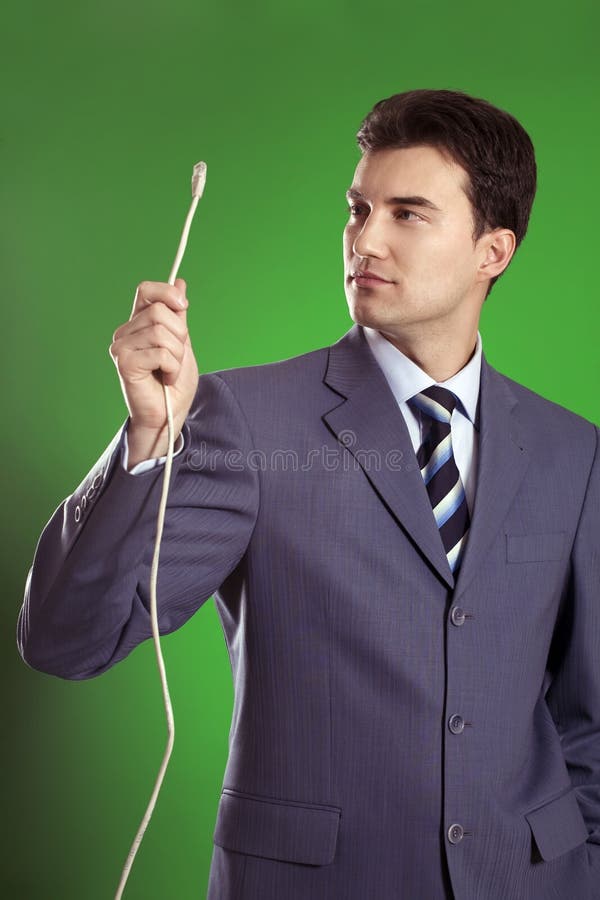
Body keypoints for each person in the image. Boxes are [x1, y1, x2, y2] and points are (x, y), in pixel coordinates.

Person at [17, 89, 599, 899]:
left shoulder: (573, 452)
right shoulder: (246, 420)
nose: (366, 239)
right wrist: (149, 439)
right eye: (358, 210)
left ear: (491, 251)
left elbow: (588, 718)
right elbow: (66, 641)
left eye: (408, 213)